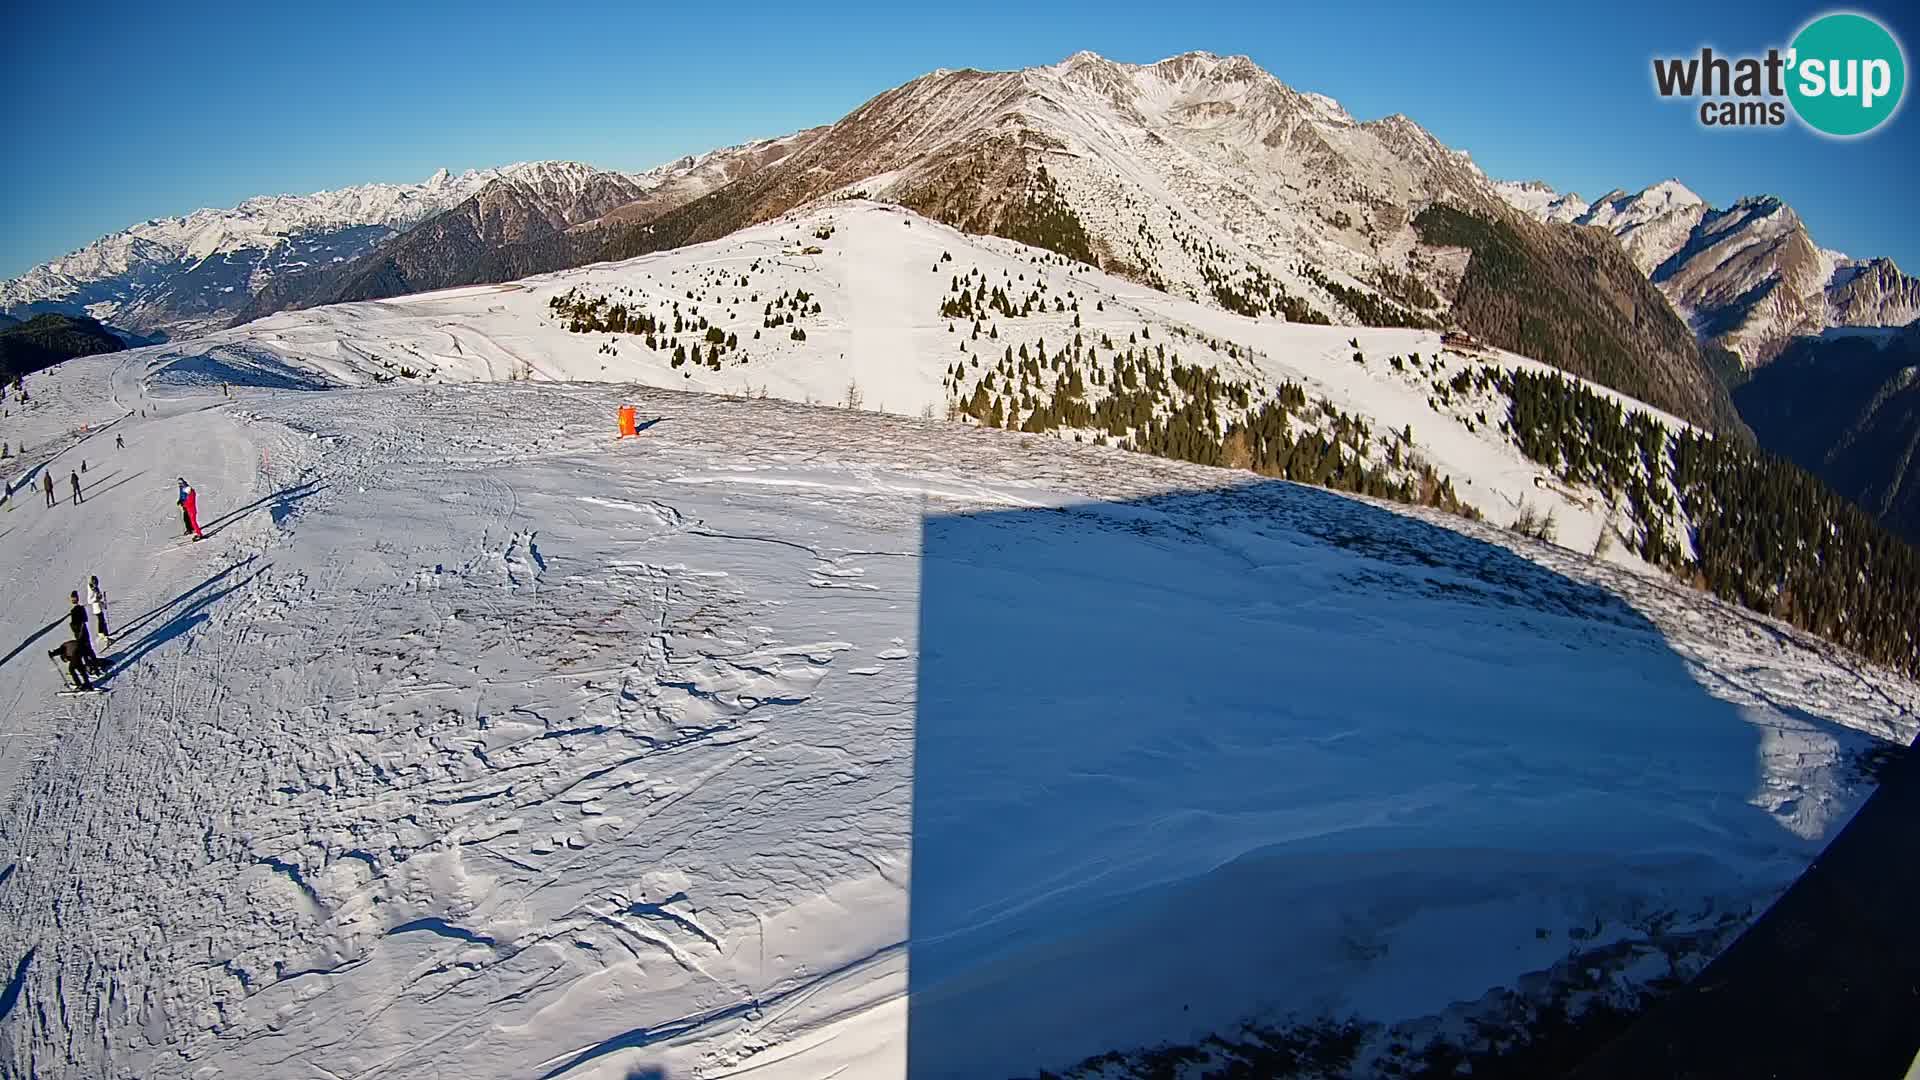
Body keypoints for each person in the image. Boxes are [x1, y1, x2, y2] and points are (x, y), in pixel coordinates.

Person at [67, 592, 105, 676]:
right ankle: (91, 667)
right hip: (79, 634)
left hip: (82, 634)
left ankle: (94, 667)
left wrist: (78, 630)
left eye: (74, 598)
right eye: (72, 598)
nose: (73, 599)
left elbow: (83, 621)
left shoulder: (79, 609)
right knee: (85, 651)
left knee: (88, 651)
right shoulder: (75, 609)